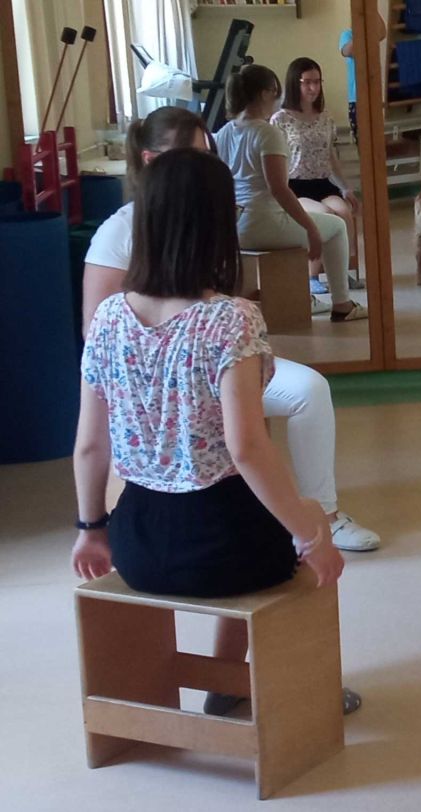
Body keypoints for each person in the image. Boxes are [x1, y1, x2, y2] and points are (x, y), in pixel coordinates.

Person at [71, 148, 348, 715]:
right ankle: (284, 690)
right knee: (310, 515)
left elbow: (90, 445)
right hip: (224, 545)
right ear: (218, 224)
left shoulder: (108, 318)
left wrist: (91, 530)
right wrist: (310, 536)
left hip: (137, 543)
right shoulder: (230, 319)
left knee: (273, 517)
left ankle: (226, 683)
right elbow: (247, 448)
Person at [82, 106, 381, 555]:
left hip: (204, 365)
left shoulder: (215, 270)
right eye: (192, 155)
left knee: (308, 391)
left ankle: (327, 513)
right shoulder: (121, 233)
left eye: (208, 154)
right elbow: (99, 338)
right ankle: (308, 525)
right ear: (151, 161)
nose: (204, 166)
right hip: (161, 380)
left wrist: (89, 529)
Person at [213, 64, 367, 322]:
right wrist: (310, 228)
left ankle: (305, 298)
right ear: (265, 93)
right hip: (264, 223)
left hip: (236, 227)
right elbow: (279, 189)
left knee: (329, 221)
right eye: (275, 92)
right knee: (337, 227)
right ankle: (342, 304)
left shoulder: (223, 133)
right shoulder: (267, 132)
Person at [272, 57, 363, 290]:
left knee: (344, 213)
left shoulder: (325, 117)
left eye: (317, 82)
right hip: (295, 185)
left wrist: (345, 187)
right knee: (324, 215)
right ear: (295, 83)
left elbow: (331, 155)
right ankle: (312, 276)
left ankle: (340, 272)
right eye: (307, 82)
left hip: (322, 183)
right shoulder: (280, 119)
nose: (313, 88)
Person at [338, 10, 387, 145]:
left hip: (373, 95)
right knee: (362, 141)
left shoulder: (371, 36)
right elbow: (348, 51)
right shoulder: (347, 35)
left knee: (376, 140)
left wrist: (371, 9)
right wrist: (361, 30)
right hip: (357, 99)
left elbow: (382, 32)